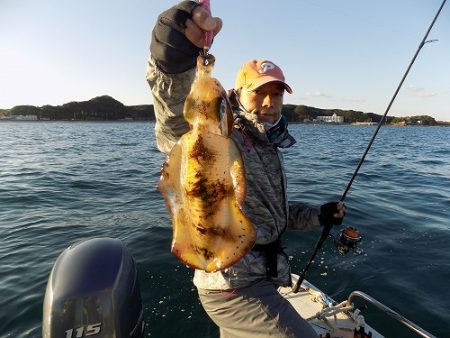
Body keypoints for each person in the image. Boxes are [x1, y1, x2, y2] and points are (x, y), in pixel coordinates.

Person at [146, 2, 346, 337]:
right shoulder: (222, 137)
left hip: (262, 277)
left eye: (276, 95)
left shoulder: (269, 147)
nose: (269, 103)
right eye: (259, 94)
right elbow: (173, 118)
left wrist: (319, 215)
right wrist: (172, 53)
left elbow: (272, 216)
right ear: (238, 96)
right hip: (230, 284)